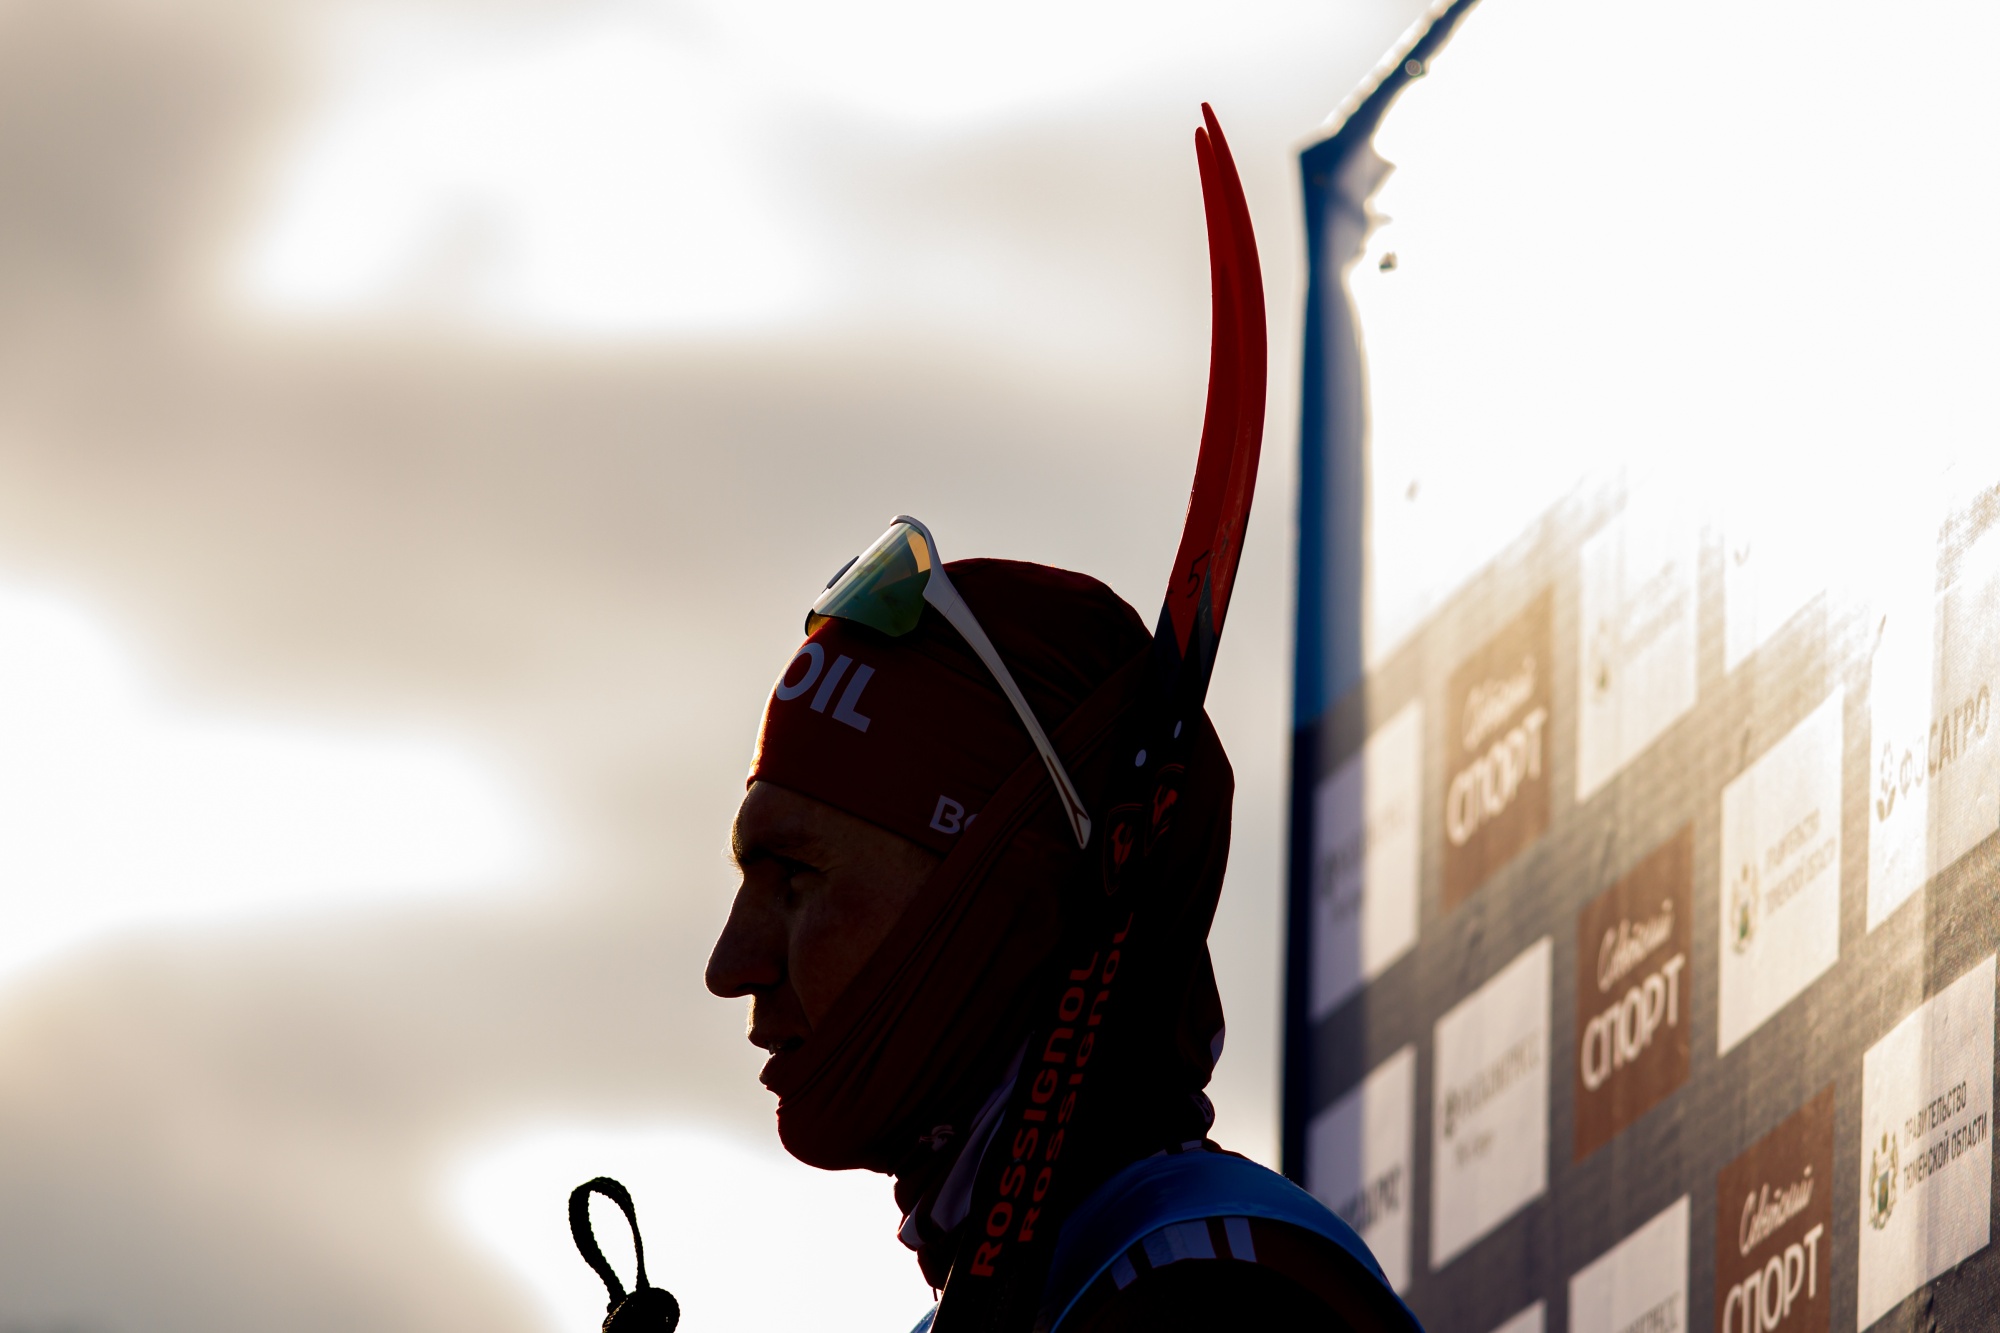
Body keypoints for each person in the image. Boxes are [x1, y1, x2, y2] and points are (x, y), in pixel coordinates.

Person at [706, 523, 1423, 1332]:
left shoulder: (1214, 1287)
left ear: (1004, 892)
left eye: (795, 877)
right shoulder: (1051, 1284)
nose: (730, 962)